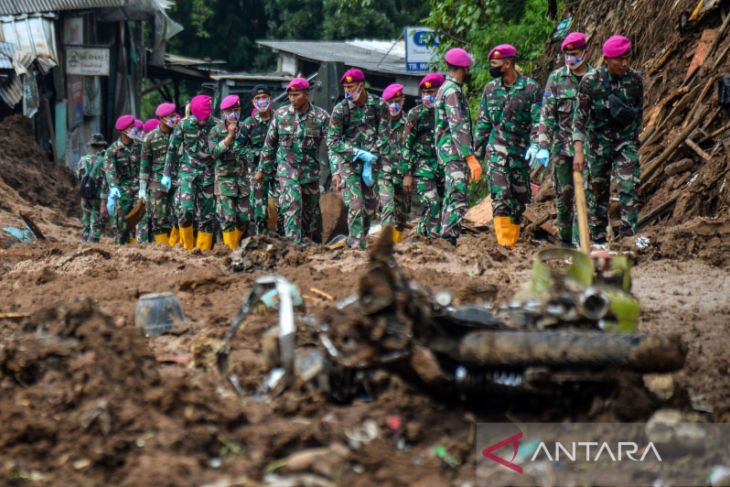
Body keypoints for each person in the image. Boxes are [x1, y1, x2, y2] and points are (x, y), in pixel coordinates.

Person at [573, 35, 643, 245]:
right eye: (618, 60)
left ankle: (628, 237)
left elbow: (638, 112)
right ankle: (598, 240)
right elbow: (579, 119)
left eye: (627, 58)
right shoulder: (590, 82)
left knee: (628, 185)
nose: (624, 63)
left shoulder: (635, 81)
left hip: (624, 142)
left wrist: (634, 139)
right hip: (597, 145)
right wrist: (578, 150)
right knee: (597, 195)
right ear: (606, 59)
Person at [475, 44, 542, 246]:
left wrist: (537, 144)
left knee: (520, 201)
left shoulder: (531, 88)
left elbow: (538, 120)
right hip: (496, 153)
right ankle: (504, 244)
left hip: (521, 154)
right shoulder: (490, 89)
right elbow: (484, 123)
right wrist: (475, 156)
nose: (492, 67)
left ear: (507, 63)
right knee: (501, 197)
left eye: (495, 63)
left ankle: (514, 242)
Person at [535, 32, 593, 247]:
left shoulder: (596, 78)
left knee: (586, 197)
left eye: (575, 54)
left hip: (588, 149)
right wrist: (542, 145)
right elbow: (547, 115)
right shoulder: (557, 78)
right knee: (564, 196)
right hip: (562, 149)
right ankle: (566, 242)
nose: (571, 59)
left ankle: (581, 245)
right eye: (567, 55)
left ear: (585, 52)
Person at [256, 77, 330, 243]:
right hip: (286, 171)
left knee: (309, 216)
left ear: (306, 94)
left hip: (310, 173)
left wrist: (338, 171)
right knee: (292, 206)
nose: (292, 99)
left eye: (296, 95)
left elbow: (332, 145)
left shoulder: (321, 116)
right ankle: (293, 247)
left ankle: (306, 248)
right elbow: (270, 144)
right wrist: (262, 169)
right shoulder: (281, 115)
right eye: (290, 96)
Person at [326, 68, 389, 249]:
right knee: (356, 204)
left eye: (351, 86)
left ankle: (358, 237)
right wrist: (356, 154)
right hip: (349, 163)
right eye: (345, 87)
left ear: (361, 86)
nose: (348, 91)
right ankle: (356, 245)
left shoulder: (378, 105)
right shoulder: (341, 109)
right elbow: (332, 140)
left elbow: (385, 135)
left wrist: (371, 156)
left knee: (369, 207)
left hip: (372, 161)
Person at [434, 48, 482, 245]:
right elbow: (457, 126)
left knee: (452, 195)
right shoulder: (452, 91)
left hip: (448, 151)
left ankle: (445, 236)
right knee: (458, 196)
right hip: (453, 152)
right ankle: (448, 239)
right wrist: (470, 158)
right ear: (462, 69)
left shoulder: (444, 88)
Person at [163, 94, 218, 251]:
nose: (202, 121)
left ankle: (202, 251)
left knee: (207, 217)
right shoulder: (184, 125)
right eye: (199, 118)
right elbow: (172, 149)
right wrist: (167, 173)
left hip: (209, 174)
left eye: (205, 118)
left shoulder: (217, 125)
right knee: (186, 210)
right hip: (187, 172)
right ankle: (187, 249)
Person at [403, 73, 445, 237]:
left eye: (432, 92)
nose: (427, 97)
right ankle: (430, 240)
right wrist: (407, 173)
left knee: (442, 205)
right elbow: (407, 145)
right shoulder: (415, 114)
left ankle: (423, 235)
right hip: (423, 165)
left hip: (444, 164)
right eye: (424, 93)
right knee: (431, 203)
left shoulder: (449, 112)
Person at [211, 95, 248, 250]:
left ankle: (236, 244)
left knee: (244, 217)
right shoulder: (216, 131)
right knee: (228, 218)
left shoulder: (246, 128)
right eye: (230, 111)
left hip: (243, 180)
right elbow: (214, 152)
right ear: (224, 113)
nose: (233, 114)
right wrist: (229, 137)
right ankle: (231, 250)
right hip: (224, 181)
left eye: (236, 110)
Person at [140, 103, 178, 245]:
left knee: (179, 215)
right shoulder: (150, 138)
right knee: (159, 218)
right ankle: (162, 249)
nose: (174, 119)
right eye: (171, 116)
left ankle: (178, 249)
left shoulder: (179, 134)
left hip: (178, 179)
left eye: (175, 115)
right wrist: (142, 188)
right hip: (156, 182)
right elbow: (145, 165)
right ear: (162, 119)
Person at [378, 83, 409, 242]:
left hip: (403, 176)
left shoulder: (409, 123)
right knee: (388, 206)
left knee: (402, 213)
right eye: (390, 102)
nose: (393, 105)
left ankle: (396, 243)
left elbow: (412, 150)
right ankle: (385, 244)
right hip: (384, 174)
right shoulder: (380, 123)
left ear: (403, 100)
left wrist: (409, 175)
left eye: (397, 100)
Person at [105, 114, 142, 244]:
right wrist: (113, 187)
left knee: (141, 221)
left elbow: (146, 165)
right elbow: (110, 170)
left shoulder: (140, 146)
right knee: (121, 224)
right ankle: (121, 249)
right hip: (122, 190)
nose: (135, 130)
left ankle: (141, 250)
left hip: (140, 188)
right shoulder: (113, 150)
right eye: (131, 128)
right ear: (123, 131)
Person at [244, 85, 276, 234]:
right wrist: (255, 154)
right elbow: (238, 147)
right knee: (259, 211)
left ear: (270, 99)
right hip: (257, 173)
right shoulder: (249, 123)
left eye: (264, 98)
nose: (262, 101)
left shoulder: (280, 120)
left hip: (279, 170)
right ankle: (260, 239)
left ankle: (285, 241)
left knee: (282, 207)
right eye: (258, 98)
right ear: (253, 102)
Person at [77, 133, 107, 243]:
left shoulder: (82, 160)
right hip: (97, 197)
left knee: (86, 221)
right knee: (96, 223)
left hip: (84, 195)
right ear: (101, 146)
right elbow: (105, 181)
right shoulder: (103, 161)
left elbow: (79, 177)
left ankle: (83, 243)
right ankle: (93, 247)